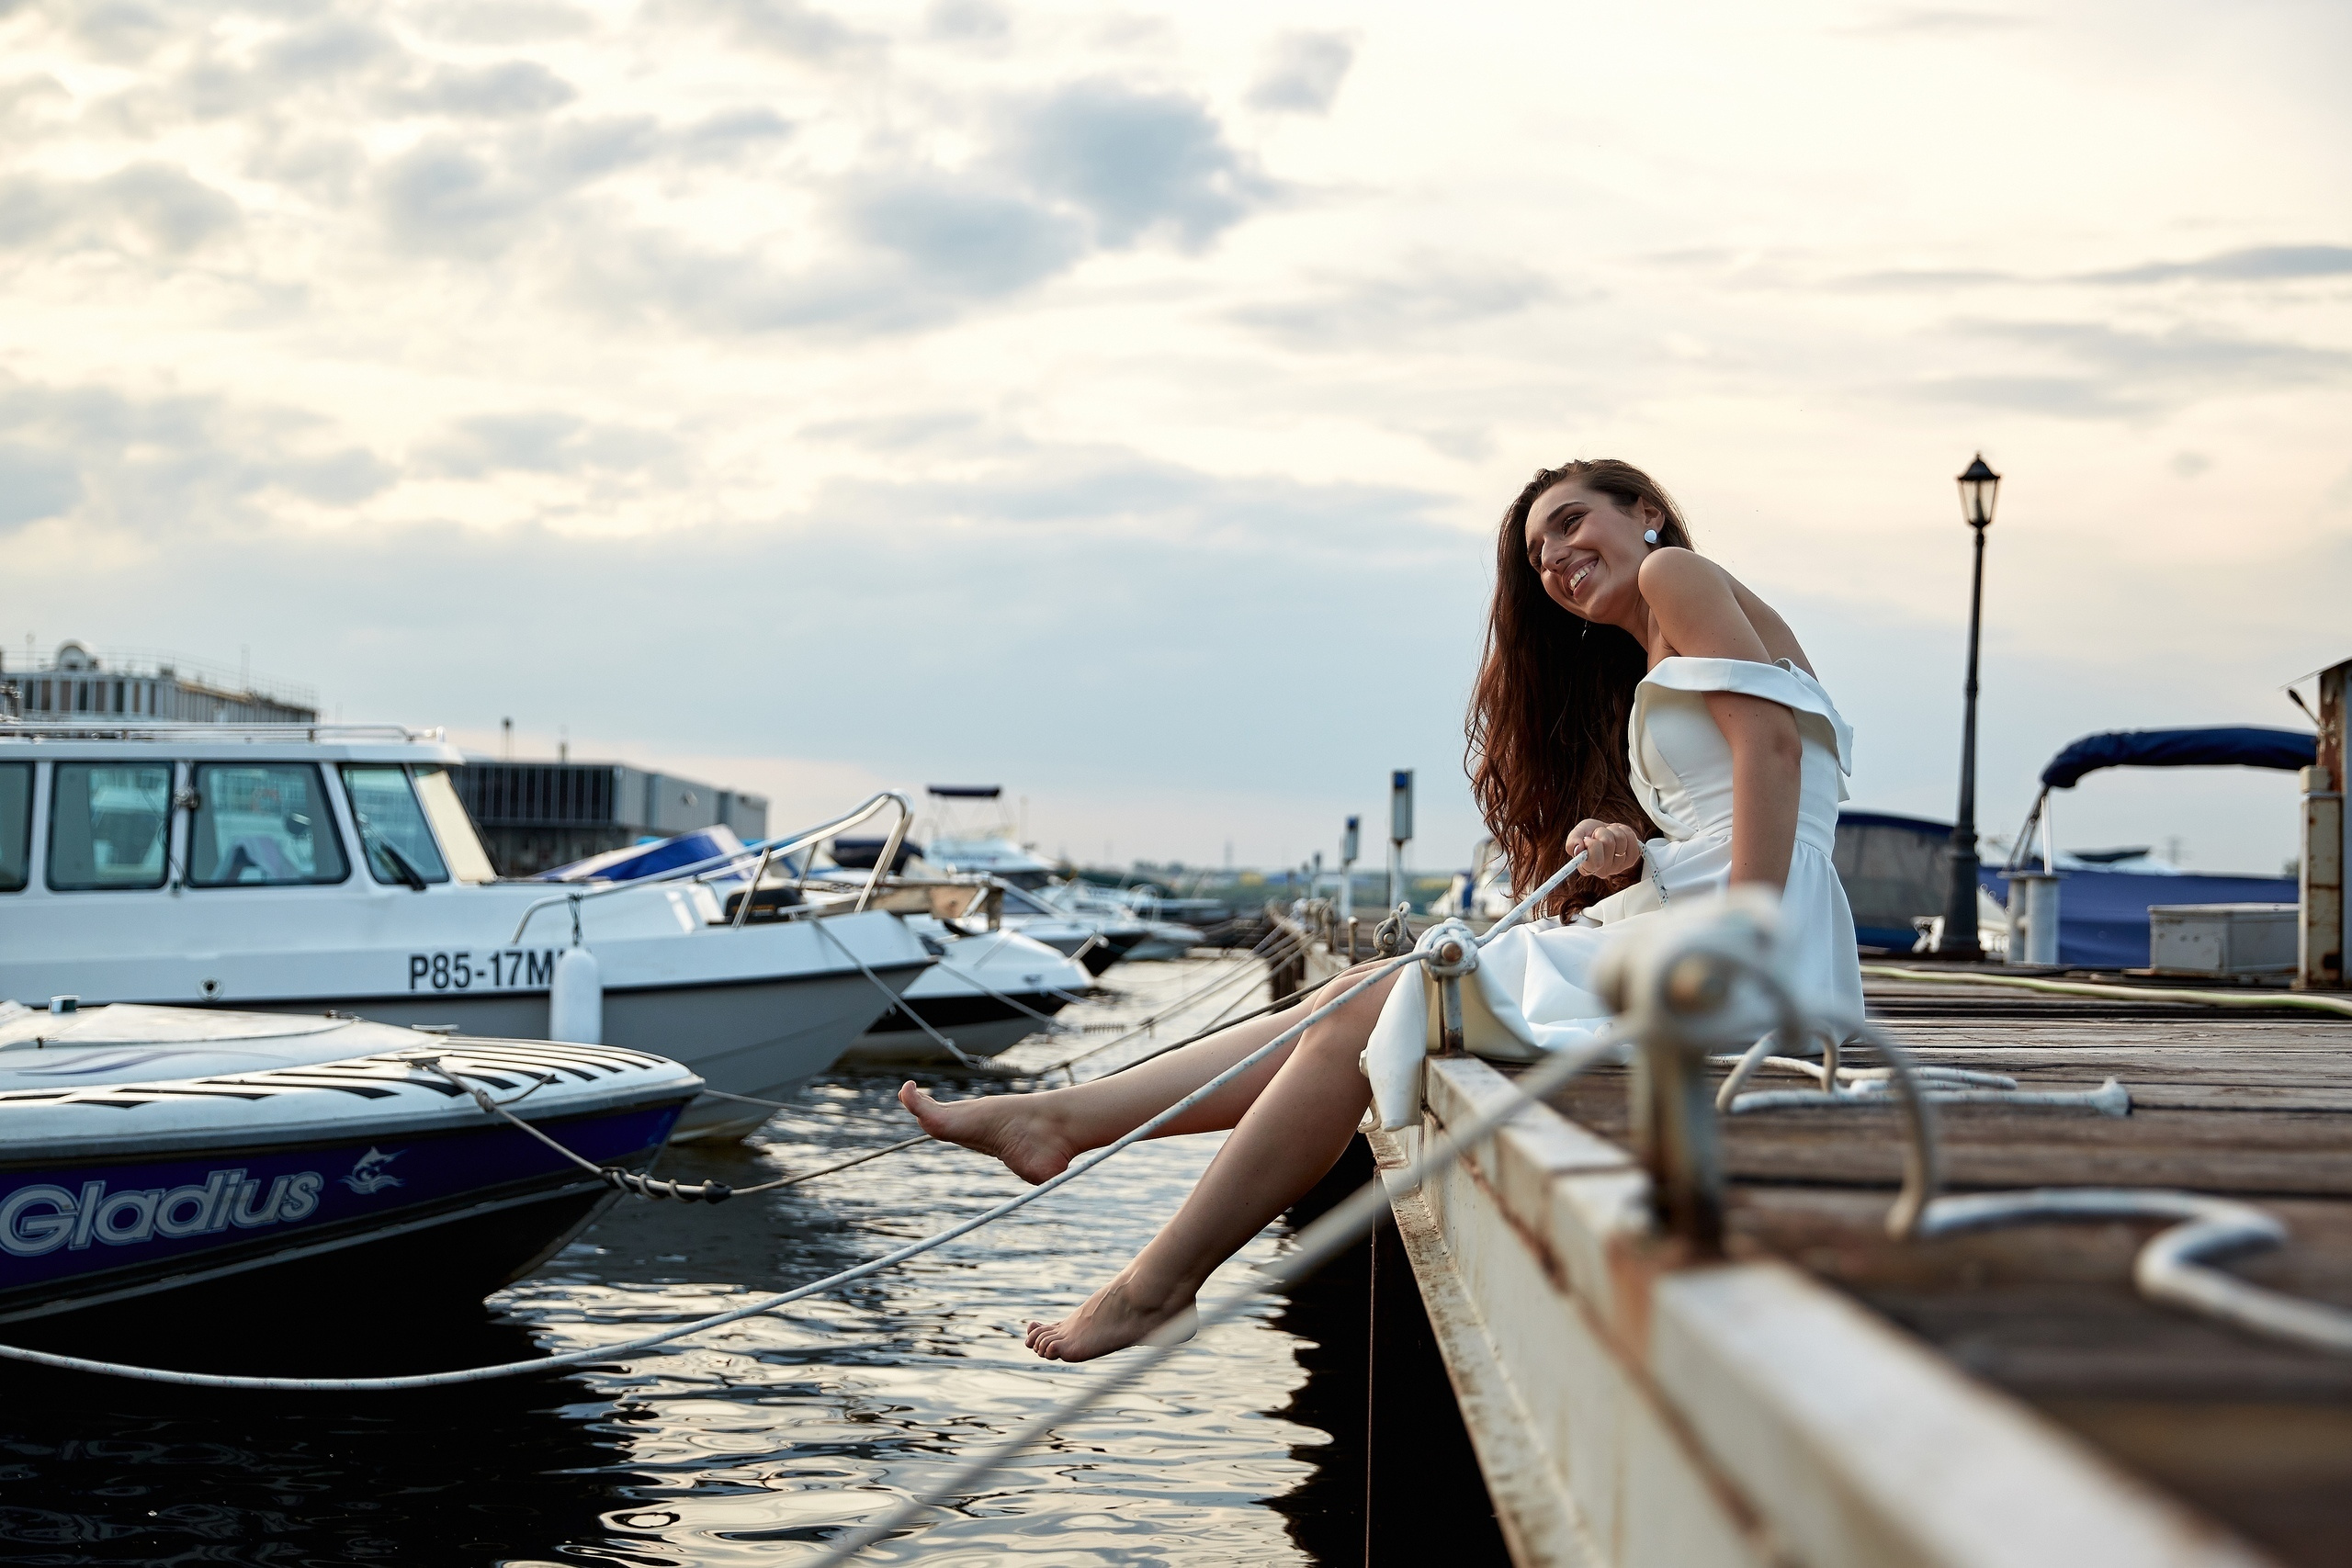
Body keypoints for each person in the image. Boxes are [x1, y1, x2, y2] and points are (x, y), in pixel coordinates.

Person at [900, 458, 1862, 1361]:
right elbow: (1750, 798)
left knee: (1369, 1006)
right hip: (1701, 924)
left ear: (1643, 510)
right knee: (1360, 992)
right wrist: (1630, 852)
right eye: (1538, 557)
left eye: (1572, 524)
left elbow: (1772, 757)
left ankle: (1144, 1265)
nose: (1558, 561)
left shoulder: (1675, 575)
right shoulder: (1664, 631)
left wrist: (1746, 937)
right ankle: (1069, 1133)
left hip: (1741, 948)